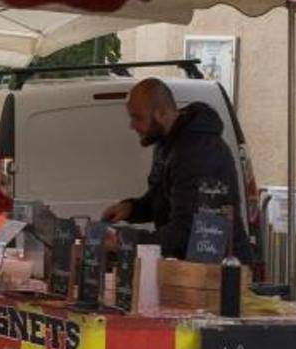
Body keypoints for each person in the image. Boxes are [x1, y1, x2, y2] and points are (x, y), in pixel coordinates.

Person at [104, 78, 252, 260]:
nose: (132, 125)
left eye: (138, 117)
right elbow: (162, 198)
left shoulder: (197, 151)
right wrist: (131, 208)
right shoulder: (166, 144)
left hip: (218, 271)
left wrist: (125, 241)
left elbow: (186, 231)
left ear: (162, 114)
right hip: (191, 268)